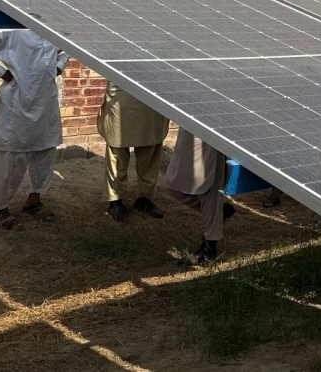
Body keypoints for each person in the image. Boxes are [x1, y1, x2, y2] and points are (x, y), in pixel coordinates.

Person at [0, 10, 69, 228]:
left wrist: (58, 68)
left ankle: (34, 201)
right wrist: (1, 72)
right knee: (10, 156)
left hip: (45, 100)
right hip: (16, 102)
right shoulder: (11, 29)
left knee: (45, 151)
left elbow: (67, 49)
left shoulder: (54, 29)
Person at [98, 82, 169, 221]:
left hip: (153, 88)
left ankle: (145, 199)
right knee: (117, 146)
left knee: (151, 145)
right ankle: (115, 201)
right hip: (122, 89)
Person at [162, 128, 234, 265]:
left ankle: (209, 250)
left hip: (214, 133)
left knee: (209, 188)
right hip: (189, 126)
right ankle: (219, 212)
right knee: (173, 183)